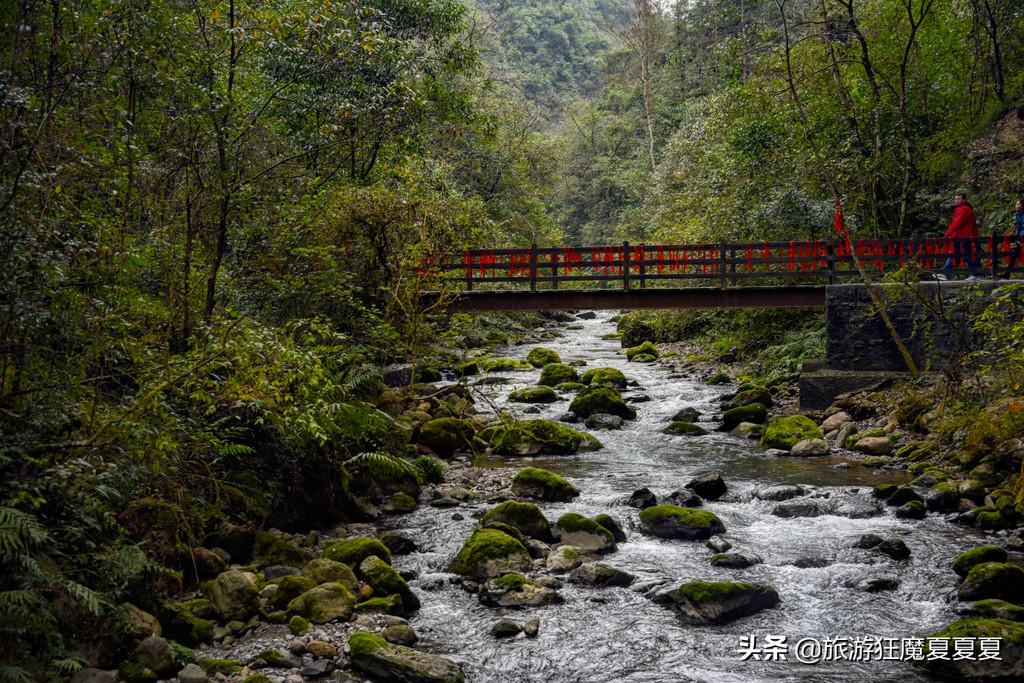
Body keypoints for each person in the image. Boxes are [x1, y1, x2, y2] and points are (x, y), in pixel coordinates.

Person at [936, 192, 981, 281]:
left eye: (958, 199)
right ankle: (944, 273)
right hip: (959, 237)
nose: (956, 201)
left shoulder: (965, 209)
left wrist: (947, 234)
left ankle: (976, 274)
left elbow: (957, 224)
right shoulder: (961, 209)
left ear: (964, 200)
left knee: (966, 255)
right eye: (956, 199)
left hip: (964, 237)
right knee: (954, 255)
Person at [1003, 198, 1024, 279]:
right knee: (1014, 255)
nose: (1016, 206)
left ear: (1022, 206)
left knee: (1015, 255)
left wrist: (1020, 238)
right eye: (1016, 204)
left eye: (1018, 204)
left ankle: (1007, 274)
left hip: (1022, 238)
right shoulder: (1018, 214)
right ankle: (1007, 274)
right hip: (1020, 238)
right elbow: (1018, 227)